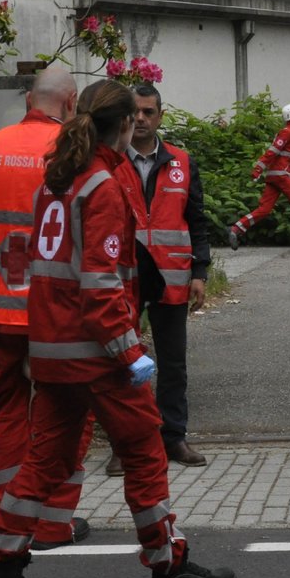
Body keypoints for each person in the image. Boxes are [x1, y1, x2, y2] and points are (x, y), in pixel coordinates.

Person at [0, 80, 236, 578]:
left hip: (51, 346)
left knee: (44, 461)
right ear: (121, 126)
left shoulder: (57, 181)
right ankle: (168, 567)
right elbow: (100, 288)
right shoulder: (102, 187)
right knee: (144, 451)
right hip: (95, 352)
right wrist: (129, 353)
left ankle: (2, 570)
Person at [0, 65, 92, 550]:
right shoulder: (75, 155)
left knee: (7, 414)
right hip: (54, 317)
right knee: (67, 415)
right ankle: (54, 523)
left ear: (27, 102)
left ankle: (9, 519)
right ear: (71, 103)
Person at [107, 82, 211, 474]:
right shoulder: (112, 163)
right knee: (124, 361)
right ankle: (125, 443)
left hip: (172, 277)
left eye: (149, 112)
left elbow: (197, 222)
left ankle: (174, 437)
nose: (140, 119)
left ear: (160, 116)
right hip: (125, 279)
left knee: (173, 362)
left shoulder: (183, 162)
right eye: (134, 112)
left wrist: (200, 271)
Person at [227, 102, 290, 252]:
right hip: (281, 175)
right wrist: (258, 169)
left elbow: (284, 157)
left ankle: (237, 228)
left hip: (276, 175)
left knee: (265, 209)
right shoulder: (287, 132)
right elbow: (272, 152)